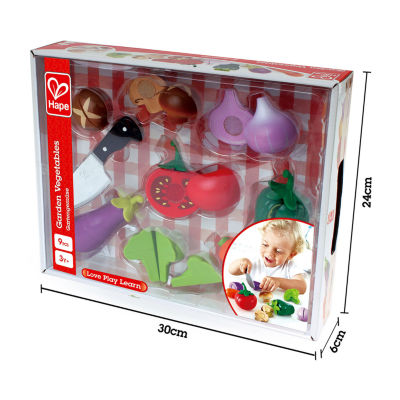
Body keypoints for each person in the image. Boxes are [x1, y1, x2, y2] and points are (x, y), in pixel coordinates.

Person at [228, 219, 307, 294]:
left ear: (291, 255)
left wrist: (279, 282)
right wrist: (241, 263)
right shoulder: (255, 261)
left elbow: (302, 287)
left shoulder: (289, 267)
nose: (269, 253)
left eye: (278, 251)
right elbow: (231, 270)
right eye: (265, 245)